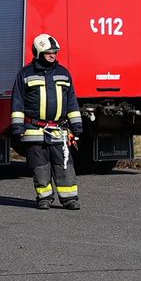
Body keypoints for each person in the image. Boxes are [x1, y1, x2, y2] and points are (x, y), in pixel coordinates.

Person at [10, 33, 84, 210]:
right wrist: (17, 126)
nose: (53, 55)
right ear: (37, 53)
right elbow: (18, 101)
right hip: (33, 128)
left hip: (59, 129)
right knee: (40, 166)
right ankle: (44, 198)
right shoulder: (25, 74)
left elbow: (72, 101)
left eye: (55, 52)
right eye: (48, 52)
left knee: (63, 164)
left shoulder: (63, 74)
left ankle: (69, 199)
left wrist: (77, 125)